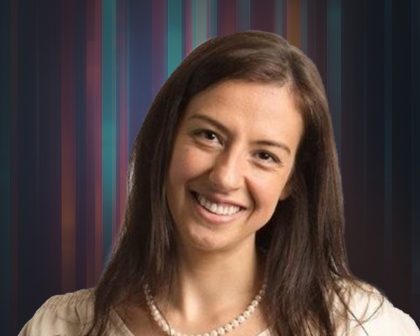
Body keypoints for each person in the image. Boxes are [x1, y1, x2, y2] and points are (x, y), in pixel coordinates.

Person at [19, 31, 419, 336]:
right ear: (166, 141)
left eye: (265, 155)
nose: (225, 176)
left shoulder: (362, 326)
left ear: (292, 182)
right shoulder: (61, 327)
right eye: (209, 135)